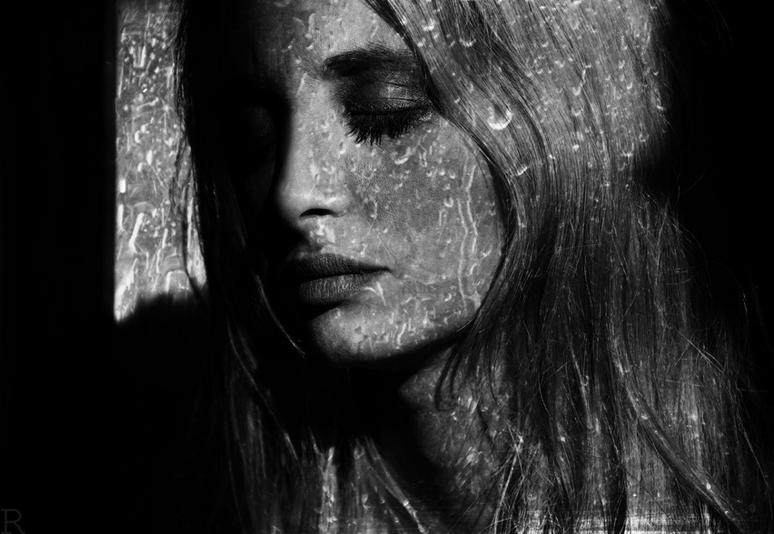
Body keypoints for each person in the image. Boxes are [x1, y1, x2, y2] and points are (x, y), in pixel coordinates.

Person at [122, 0, 772, 531]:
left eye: (384, 109)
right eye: (253, 138)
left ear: (565, 122)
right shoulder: (193, 484)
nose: (294, 192)